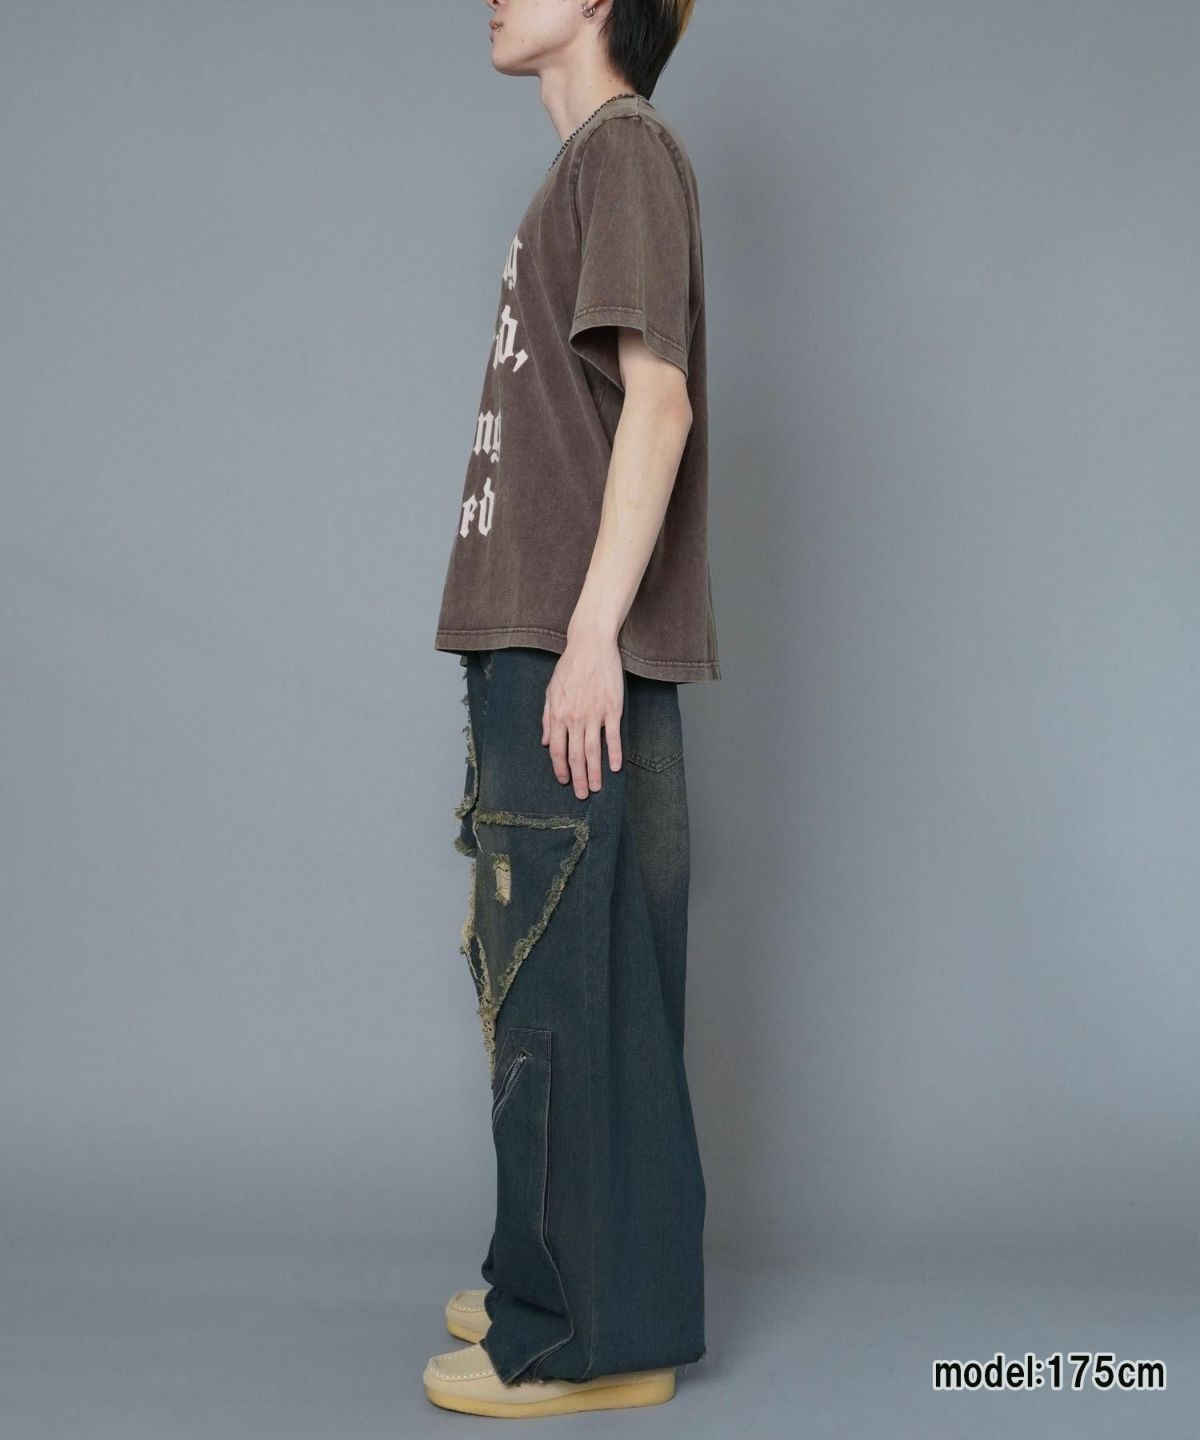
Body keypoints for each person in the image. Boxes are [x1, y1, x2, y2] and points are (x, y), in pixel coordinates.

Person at [424, 0, 720, 1418]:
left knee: (560, 983)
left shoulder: (624, 152)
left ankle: (570, 1337)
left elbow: (657, 404)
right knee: (592, 982)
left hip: (566, 644)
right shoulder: (591, 164)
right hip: (550, 636)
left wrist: (591, 632)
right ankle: (592, 1286)